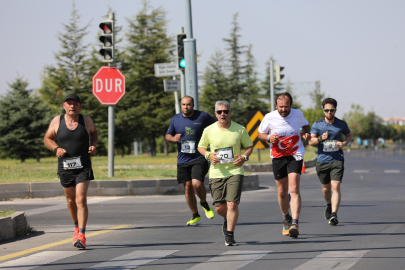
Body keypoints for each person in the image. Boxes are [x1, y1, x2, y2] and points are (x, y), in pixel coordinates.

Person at [44, 94, 98, 249]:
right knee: (70, 201)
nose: (72, 106)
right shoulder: (57, 121)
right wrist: (56, 148)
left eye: (75, 103)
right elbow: (47, 138)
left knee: (80, 199)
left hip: (83, 166)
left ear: (79, 106)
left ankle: (81, 235)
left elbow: (94, 133)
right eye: (69, 103)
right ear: (64, 105)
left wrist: (93, 145)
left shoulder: (85, 120)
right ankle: (76, 228)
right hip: (65, 167)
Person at [198, 100, 253, 246]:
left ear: (230, 112)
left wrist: (244, 157)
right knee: (219, 208)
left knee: (232, 204)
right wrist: (209, 155)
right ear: (215, 113)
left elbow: (249, 146)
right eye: (220, 112)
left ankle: (230, 234)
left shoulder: (239, 129)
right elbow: (201, 147)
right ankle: (226, 219)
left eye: (225, 111)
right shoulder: (209, 130)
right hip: (216, 173)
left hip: (235, 170)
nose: (223, 114)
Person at [258, 92, 311, 238]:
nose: (283, 110)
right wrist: (269, 138)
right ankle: (286, 217)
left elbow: (306, 126)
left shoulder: (298, 114)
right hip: (278, 156)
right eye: (281, 107)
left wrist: (306, 134)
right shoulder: (269, 117)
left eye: (286, 107)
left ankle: (295, 223)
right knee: (282, 191)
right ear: (276, 106)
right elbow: (260, 134)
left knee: (293, 187)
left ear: (291, 105)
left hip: (295, 154)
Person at [165, 96, 216, 226]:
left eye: (188, 104)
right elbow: (167, 135)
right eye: (183, 104)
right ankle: (195, 215)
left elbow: (218, 126)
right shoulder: (175, 119)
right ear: (180, 105)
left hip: (199, 156)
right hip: (183, 159)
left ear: (193, 105)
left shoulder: (203, 116)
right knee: (187, 188)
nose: (186, 107)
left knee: (196, 184)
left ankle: (204, 203)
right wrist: (173, 139)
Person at [308, 98, 352, 225]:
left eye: (331, 110)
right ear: (323, 111)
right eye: (326, 110)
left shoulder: (341, 124)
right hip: (322, 160)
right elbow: (311, 141)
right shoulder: (317, 125)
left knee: (335, 186)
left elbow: (349, 135)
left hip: (337, 159)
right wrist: (321, 138)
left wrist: (343, 143)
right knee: (326, 189)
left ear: (335, 110)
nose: (329, 112)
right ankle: (329, 204)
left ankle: (334, 215)